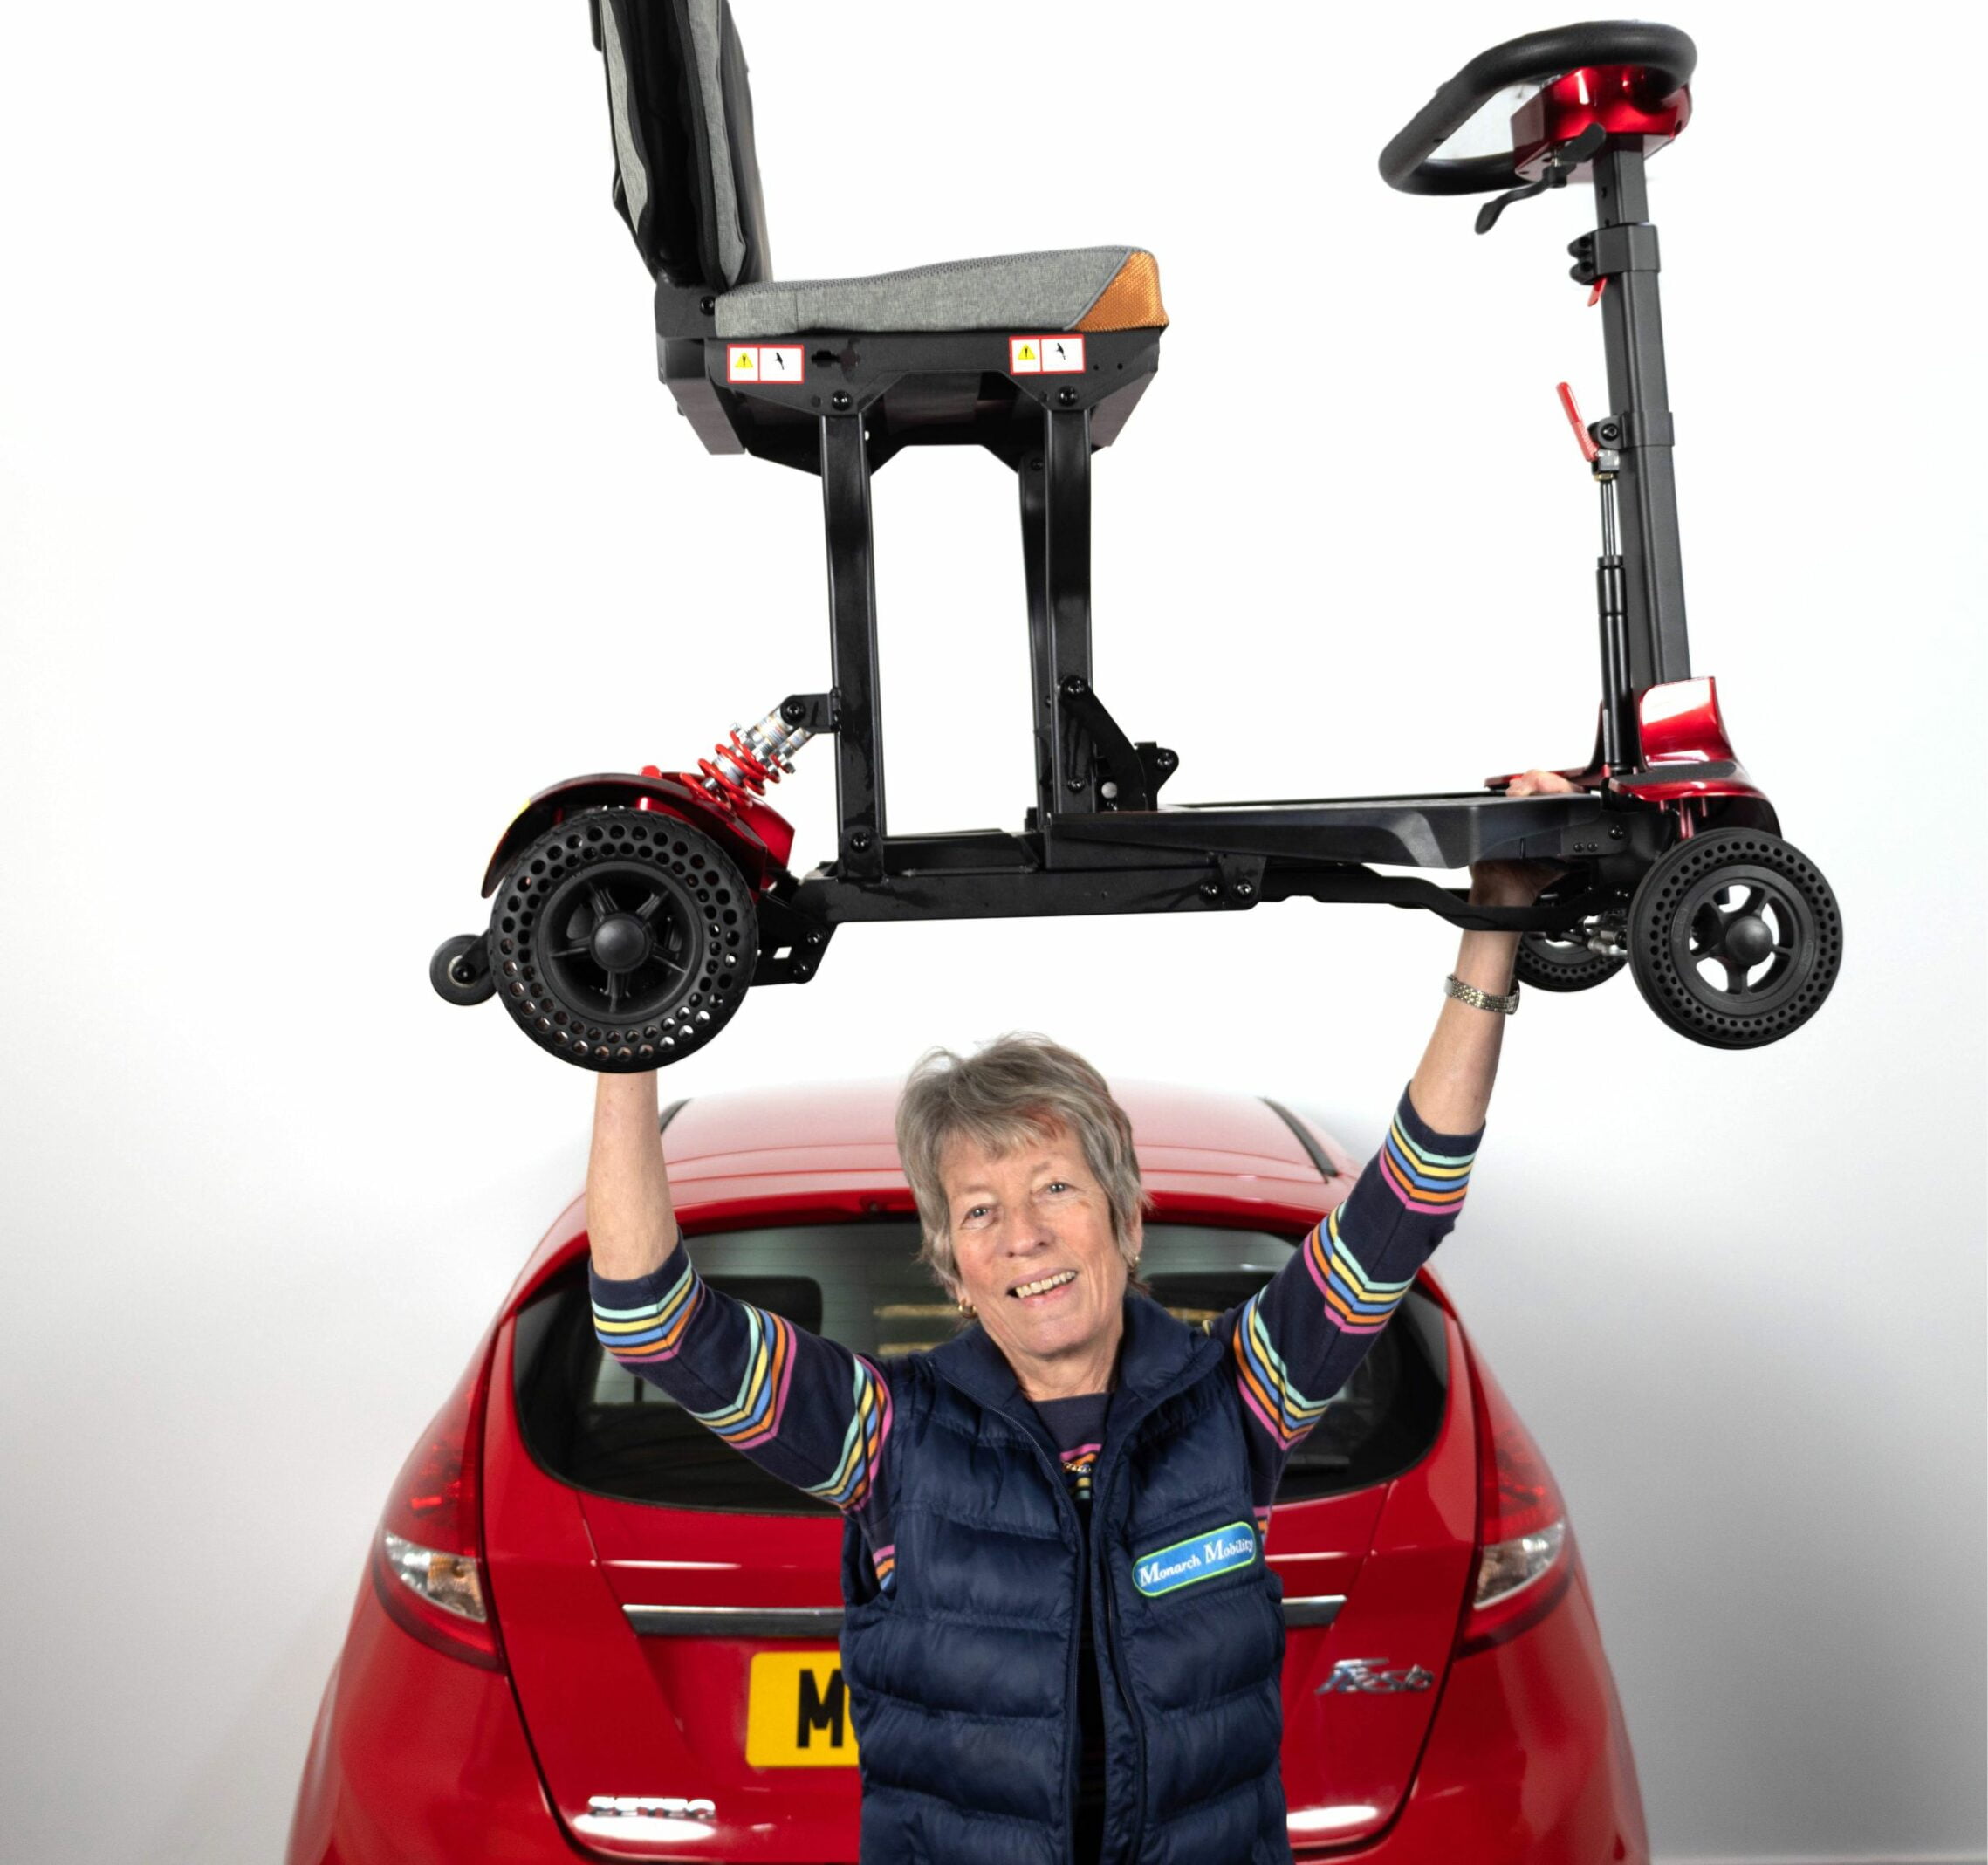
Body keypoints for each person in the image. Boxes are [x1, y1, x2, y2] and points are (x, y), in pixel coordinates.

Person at [586, 771, 1576, 1864]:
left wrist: (1495, 918)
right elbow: (649, 1320)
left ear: (1125, 1217)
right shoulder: (886, 1434)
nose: (1023, 1234)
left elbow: (1409, 1201)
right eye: (979, 1209)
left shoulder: (1237, 1398)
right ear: (952, 1270)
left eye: (1055, 1187)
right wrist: (627, 1022)